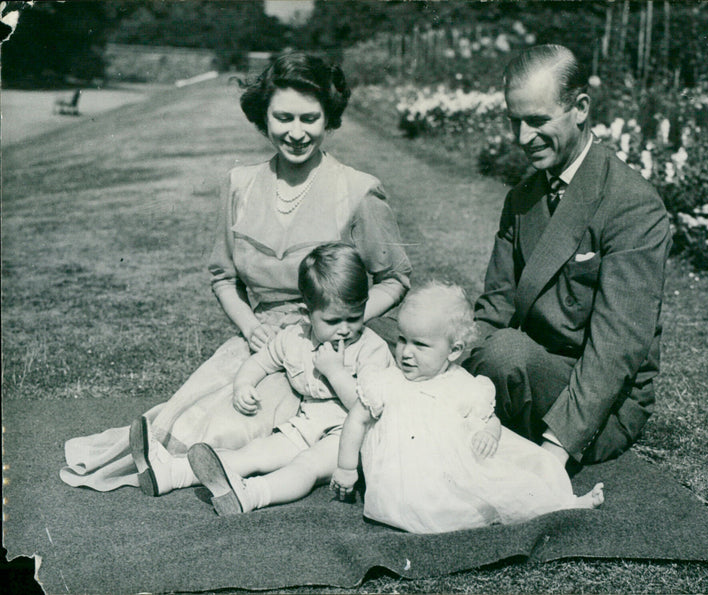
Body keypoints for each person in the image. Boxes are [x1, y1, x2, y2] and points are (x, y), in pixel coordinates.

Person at [60, 51, 411, 492]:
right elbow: (224, 277)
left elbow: (396, 278)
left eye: (310, 118)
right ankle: (163, 461)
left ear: (329, 119)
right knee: (199, 411)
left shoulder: (359, 190)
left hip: (333, 353)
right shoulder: (240, 185)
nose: (297, 133)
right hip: (261, 341)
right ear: (263, 117)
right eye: (283, 117)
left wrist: (345, 322)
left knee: (236, 426)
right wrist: (250, 328)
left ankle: (189, 470)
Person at [463, 45, 672, 472]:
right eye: (514, 121)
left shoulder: (632, 203)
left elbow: (616, 350)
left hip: (601, 402)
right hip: (530, 369)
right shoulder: (523, 198)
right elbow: (495, 308)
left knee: (504, 355)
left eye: (537, 121)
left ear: (580, 108)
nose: (522, 138)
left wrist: (554, 453)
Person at [329, 282, 603, 534]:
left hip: (453, 469)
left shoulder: (463, 383)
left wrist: (490, 433)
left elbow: (489, 418)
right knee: (431, 505)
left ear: (453, 350)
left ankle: (562, 503)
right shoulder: (388, 380)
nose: (406, 352)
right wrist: (345, 466)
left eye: (420, 345)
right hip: (404, 476)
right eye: (402, 339)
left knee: (509, 481)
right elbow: (357, 419)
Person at [172, 243, 395, 513]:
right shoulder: (296, 337)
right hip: (306, 426)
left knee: (307, 465)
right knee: (258, 452)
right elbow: (261, 361)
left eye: (355, 317)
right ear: (308, 312)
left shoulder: (371, 348)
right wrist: (244, 384)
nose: (345, 330)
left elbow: (367, 409)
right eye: (333, 321)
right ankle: (173, 474)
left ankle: (251, 494)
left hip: (349, 439)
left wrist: (335, 371)